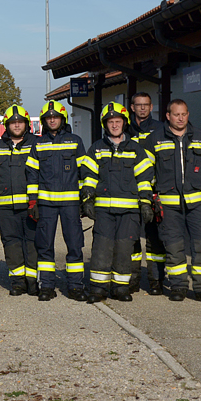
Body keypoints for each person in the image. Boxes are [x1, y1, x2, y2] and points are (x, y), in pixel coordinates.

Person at [146, 99, 201, 303]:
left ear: (188, 115)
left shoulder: (200, 137)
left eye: (184, 114)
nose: (181, 118)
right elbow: (147, 169)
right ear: (168, 116)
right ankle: (178, 286)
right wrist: (157, 190)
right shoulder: (155, 139)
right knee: (173, 246)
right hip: (168, 204)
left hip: (197, 203)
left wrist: (196, 183)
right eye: (176, 114)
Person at [81, 102, 154, 302]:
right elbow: (88, 176)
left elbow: (144, 178)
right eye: (110, 122)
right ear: (105, 125)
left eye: (118, 121)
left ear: (124, 123)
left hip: (129, 212)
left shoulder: (136, 150)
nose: (114, 125)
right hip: (104, 211)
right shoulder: (96, 149)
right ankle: (98, 289)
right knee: (101, 249)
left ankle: (121, 288)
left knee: (124, 249)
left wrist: (145, 203)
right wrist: (87, 199)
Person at [29, 100, 88, 301]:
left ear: (62, 119)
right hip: (46, 204)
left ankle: (75, 286)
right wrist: (33, 201)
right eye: (48, 118)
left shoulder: (75, 141)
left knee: (75, 245)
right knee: (44, 246)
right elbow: (32, 174)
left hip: (71, 204)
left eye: (55, 117)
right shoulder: (38, 144)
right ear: (44, 121)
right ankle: (46, 286)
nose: (52, 120)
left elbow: (84, 172)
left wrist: (84, 199)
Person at [0, 104, 40, 296]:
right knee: (11, 243)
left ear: (27, 124)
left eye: (20, 122)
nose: (16, 125)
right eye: (13, 122)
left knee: (32, 243)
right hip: (6, 207)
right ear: (7, 125)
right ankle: (17, 282)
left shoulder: (37, 145)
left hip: (30, 206)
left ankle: (33, 281)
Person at [129, 92, 165, 295]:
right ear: (132, 107)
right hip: (129, 191)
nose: (142, 108)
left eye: (146, 105)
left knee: (155, 238)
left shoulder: (161, 129)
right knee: (131, 237)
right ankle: (133, 279)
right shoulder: (124, 129)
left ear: (151, 107)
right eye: (138, 104)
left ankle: (156, 280)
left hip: (153, 192)